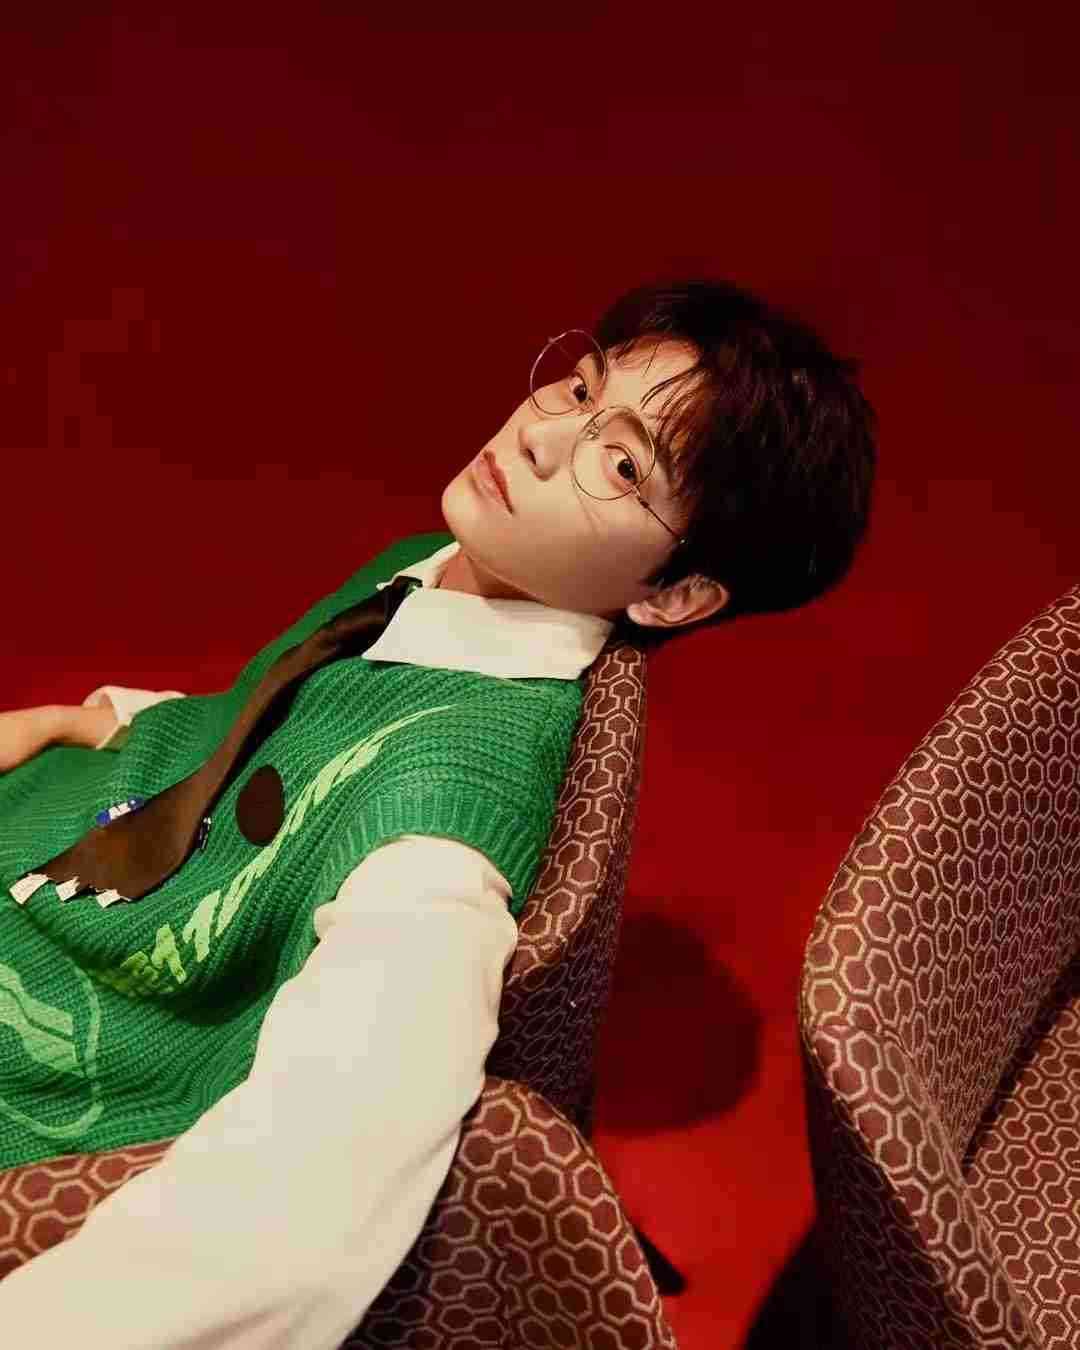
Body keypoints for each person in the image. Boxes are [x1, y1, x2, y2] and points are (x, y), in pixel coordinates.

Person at [0, 277, 877, 1347]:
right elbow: (280, 719)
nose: (542, 436)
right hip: (67, 823)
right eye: (581, 388)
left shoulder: (441, 825)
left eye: (620, 465)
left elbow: (295, 1218)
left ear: (674, 595)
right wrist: (93, 719)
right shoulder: (451, 573)